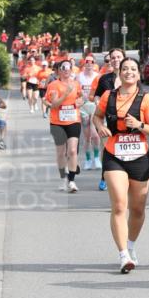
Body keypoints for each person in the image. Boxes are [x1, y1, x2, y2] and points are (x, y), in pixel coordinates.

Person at [93, 57, 149, 273]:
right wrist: (100, 127)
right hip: (114, 154)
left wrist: (139, 125)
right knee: (120, 205)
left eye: (133, 69)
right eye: (125, 69)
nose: (129, 72)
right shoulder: (107, 96)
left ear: (138, 74)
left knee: (138, 209)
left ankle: (130, 245)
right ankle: (123, 255)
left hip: (139, 156)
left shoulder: (146, 99)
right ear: (119, 73)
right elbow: (97, 117)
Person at [45, 60, 84, 193]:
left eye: (69, 67)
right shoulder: (54, 85)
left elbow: (81, 97)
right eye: (63, 67)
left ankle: (72, 181)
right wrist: (66, 94)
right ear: (59, 70)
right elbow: (54, 104)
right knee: (61, 153)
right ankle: (63, 178)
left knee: (72, 151)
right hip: (57, 123)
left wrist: (80, 102)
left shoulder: (76, 84)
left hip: (73, 120)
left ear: (71, 70)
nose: (66, 70)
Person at [92, 48, 125, 191]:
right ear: (110, 60)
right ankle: (105, 175)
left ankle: (123, 176)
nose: (116, 60)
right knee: (107, 148)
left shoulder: (131, 76)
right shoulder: (104, 78)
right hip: (107, 120)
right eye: (113, 57)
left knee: (123, 149)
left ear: (124, 58)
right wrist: (98, 103)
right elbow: (97, 95)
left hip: (126, 120)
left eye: (118, 57)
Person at [78, 55, 102, 170]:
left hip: (94, 106)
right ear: (84, 63)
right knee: (87, 137)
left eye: (91, 62)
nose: (89, 64)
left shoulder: (98, 77)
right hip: (83, 107)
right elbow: (75, 91)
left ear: (94, 63)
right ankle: (88, 159)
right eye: (87, 62)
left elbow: (102, 91)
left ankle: (97, 158)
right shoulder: (79, 77)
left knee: (95, 135)